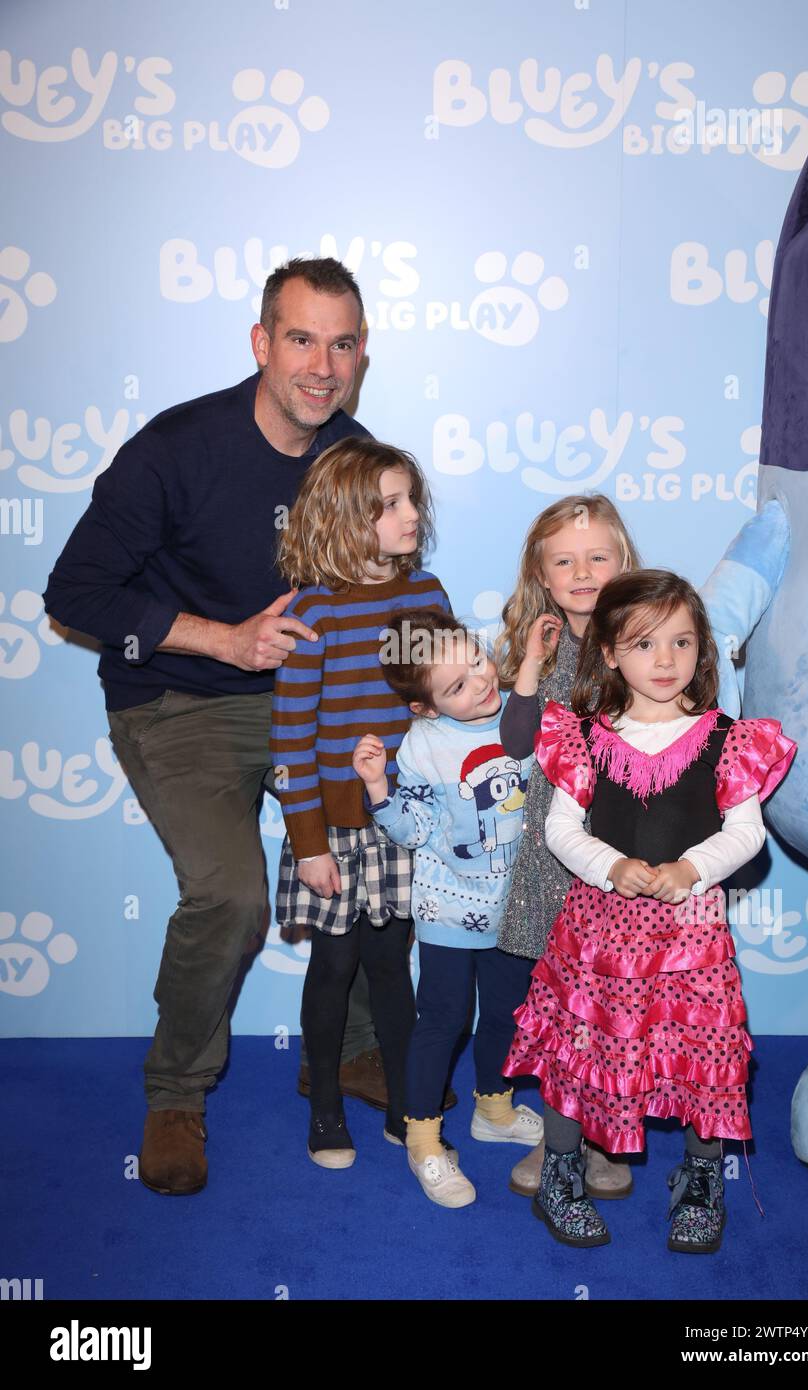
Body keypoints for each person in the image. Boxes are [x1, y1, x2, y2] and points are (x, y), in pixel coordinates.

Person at [42, 257, 387, 1195]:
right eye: (302, 338)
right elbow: (72, 593)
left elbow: (377, 597)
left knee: (371, 855)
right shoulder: (176, 446)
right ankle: (175, 1092)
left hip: (302, 702)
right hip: (176, 702)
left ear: (362, 355)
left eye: (343, 343)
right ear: (260, 344)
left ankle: (344, 1050)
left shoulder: (357, 460)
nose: (322, 365)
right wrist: (223, 641)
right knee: (232, 897)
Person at [503, 570, 796, 1252]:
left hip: (692, 936)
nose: (665, 661)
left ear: (702, 651)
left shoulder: (729, 738)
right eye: (643, 644)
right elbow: (560, 829)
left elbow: (746, 831)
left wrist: (693, 869)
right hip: (598, 931)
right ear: (608, 653)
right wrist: (611, 866)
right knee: (578, 1050)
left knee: (704, 1053)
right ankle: (561, 1172)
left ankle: (699, 1178)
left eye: (681, 642)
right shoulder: (582, 736)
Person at [271, 442, 451, 1168]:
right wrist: (309, 842)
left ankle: (411, 1108)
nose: (412, 515)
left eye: (412, 500)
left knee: (389, 966)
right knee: (334, 967)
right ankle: (323, 1109)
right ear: (347, 517)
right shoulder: (315, 612)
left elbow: (432, 707)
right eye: (390, 504)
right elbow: (290, 738)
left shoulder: (423, 597)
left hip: (402, 817)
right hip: (334, 831)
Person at [353, 610, 539, 1208]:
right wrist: (379, 788)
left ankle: (494, 1106)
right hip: (450, 909)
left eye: (478, 663)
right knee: (443, 1019)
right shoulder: (423, 748)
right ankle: (424, 1138)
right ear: (426, 708)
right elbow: (413, 829)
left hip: (516, 905)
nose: (480, 684)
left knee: (509, 1011)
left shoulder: (519, 708)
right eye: (455, 686)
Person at [494, 495, 641, 1200]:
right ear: (543, 575)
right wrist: (529, 662)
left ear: (623, 562)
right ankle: (560, 1146)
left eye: (597, 556)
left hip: (625, 851)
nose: (582, 571)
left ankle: (599, 1140)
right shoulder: (543, 646)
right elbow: (516, 744)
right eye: (564, 560)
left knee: (613, 1007)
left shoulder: (647, 643)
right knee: (559, 1007)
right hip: (554, 858)